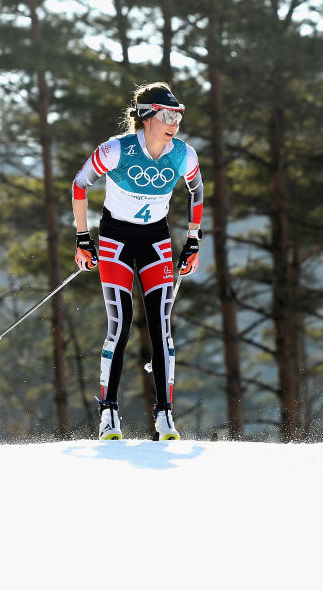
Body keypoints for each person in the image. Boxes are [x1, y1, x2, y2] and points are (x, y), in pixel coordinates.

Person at [72, 82, 204, 441]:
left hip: (156, 240)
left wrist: (193, 239)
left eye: (177, 115)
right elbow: (80, 184)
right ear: (146, 117)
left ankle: (164, 417)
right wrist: (83, 237)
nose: (173, 122)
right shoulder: (115, 151)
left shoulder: (183, 155)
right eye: (165, 114)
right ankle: (108, 414)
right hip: (116, 238)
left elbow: (197, 190)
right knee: (122, 321)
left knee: (161, 323)